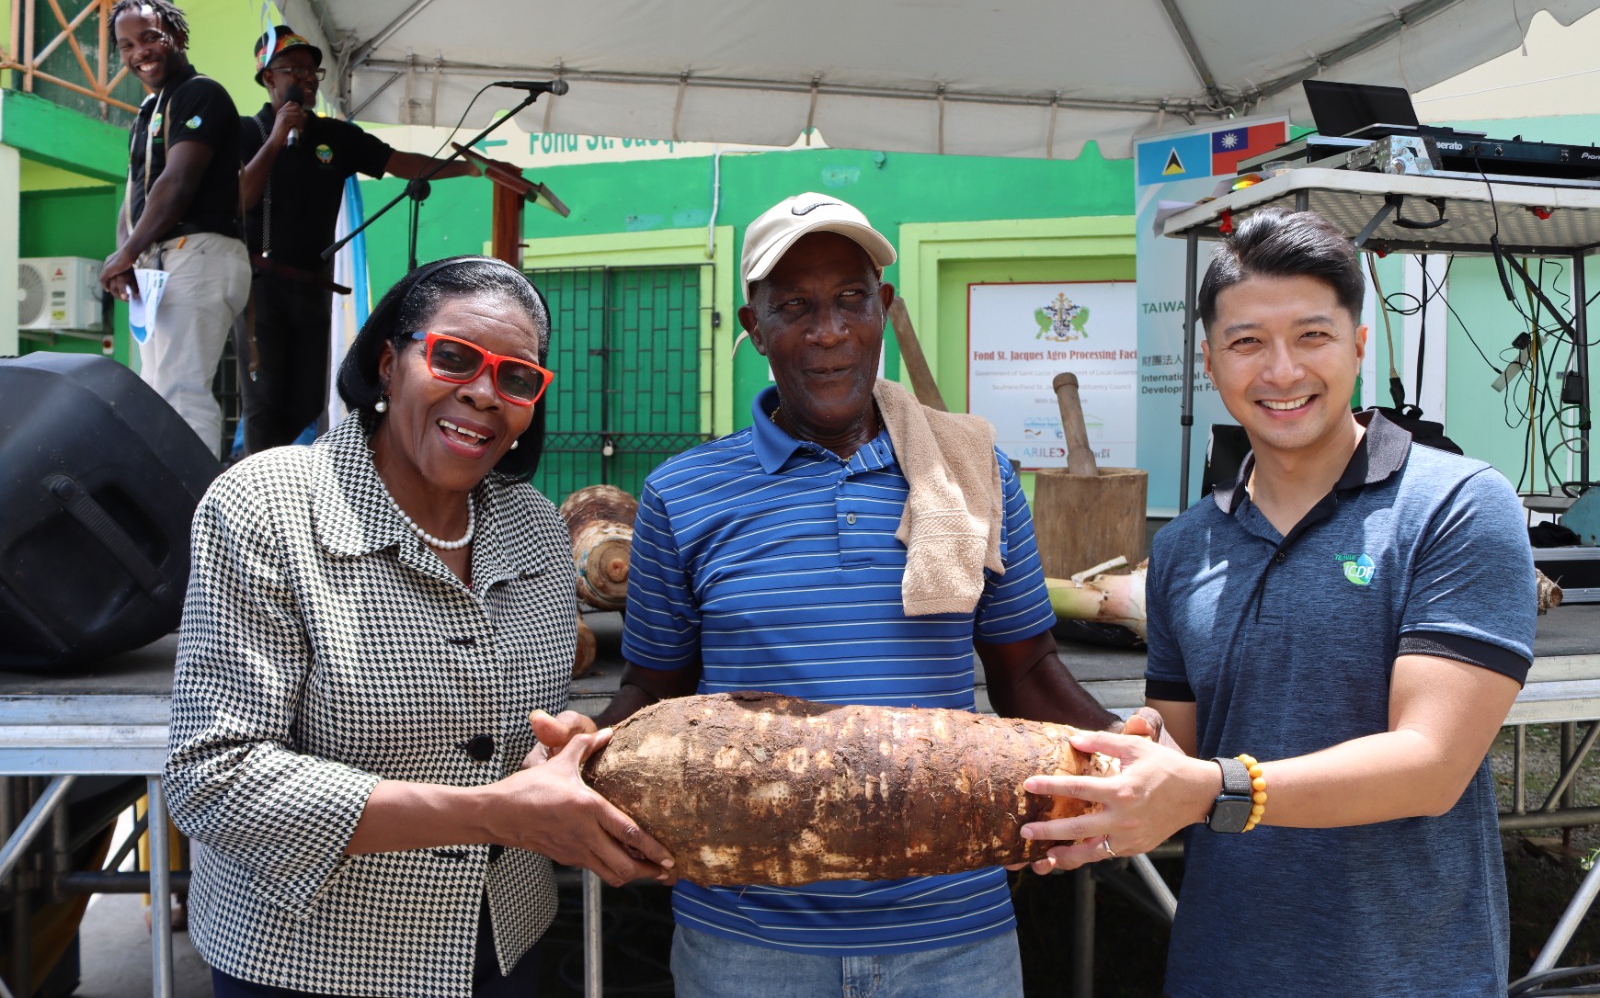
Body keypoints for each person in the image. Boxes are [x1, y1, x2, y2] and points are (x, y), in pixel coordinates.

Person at [582, 193, 1154, 998]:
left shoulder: (974, 472)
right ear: (754, 328)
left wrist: (1129, 750)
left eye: (851, 299)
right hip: (748, 942)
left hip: (954, 937)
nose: (829, 332)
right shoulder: (685, 493)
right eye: (795, 308)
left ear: (883, 307)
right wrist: (582, 753)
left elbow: (1027, 672)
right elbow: (654, 688)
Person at [1020, 208, 1536, 997]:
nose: (1282, 371)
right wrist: (1114, 784)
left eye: (1312, 336)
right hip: (1222, 970)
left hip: (1407, 975)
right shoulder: (1187, 547)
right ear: (1210, 361)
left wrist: (1212, 787)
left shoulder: (1456, 506)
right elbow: (1181, 755)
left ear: (1359, 344)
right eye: (1248, 342)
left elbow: (1431, 765)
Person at [163, 256, 673, 998]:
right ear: (387, 365)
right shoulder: (265, 507)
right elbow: (214, 778)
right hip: (312, 961)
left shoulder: (533, 527)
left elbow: (507, 726)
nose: (483, 393)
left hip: (502, 945)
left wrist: (561, 750)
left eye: (516, 378)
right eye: (453, 358)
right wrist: (491, 815)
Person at [234, 26, 522, 456]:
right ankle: (254, 483)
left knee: (309, 400)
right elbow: (239, 198)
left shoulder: (335, 136)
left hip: (313, 288)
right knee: (263, 401)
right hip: (262, 285)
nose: (306, 79)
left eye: (313, 71)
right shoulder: (246, 131)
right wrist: (278, 137)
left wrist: (470, 168)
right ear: (268, 77)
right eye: (294, 70)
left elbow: (399, 162)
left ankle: (281, 469)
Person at [101, 0, 250, 459]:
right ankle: (171, 493)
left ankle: (194, 498)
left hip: (198, 253)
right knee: (159, 392)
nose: (139, 53)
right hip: (163, 261)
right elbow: (136, 194)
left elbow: (177, 182)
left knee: (181, 394)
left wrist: (127, 253)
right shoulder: (150, 110)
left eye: (150, 37)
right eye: (127, 46)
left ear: (178, 36)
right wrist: (126, 256)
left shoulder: (201, 93)